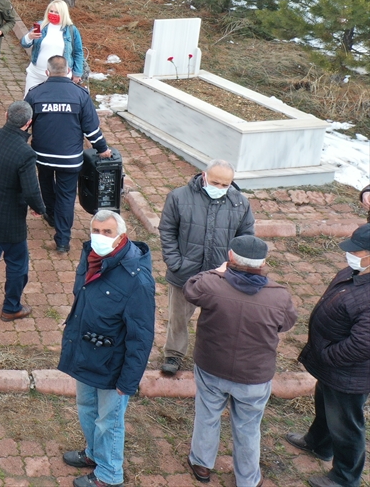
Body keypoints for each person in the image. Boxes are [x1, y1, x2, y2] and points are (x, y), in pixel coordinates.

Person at [184, 235, 297, 486]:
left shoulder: (212, 285)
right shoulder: (279, 296)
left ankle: (202, 463)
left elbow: (190, 287)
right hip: (254, 376)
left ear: (231, 257)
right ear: (263, 262)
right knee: (248, 427)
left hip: (212, 366)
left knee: (207, 414)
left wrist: (217, 271)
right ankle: (247, 478)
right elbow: (287, 323)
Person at [59, 211, 155, 487]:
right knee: (86, 407)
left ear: (121, 237)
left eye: (107, 232)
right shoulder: (91, 256)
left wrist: (129, 380)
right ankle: (94, 454)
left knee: (109, 421)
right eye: (96, 231)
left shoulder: (137, 279)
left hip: (112, 364)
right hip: (86, 354)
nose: (99, 237)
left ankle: (109, 475)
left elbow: (142, 335)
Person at [286, 222, 370, 487]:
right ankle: (319, 443)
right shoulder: (356, 272)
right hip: (333, 368)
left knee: (347, 426)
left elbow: (362, 344)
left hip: (348, 374)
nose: (351, 254)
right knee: (325, 406)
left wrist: (328, 356)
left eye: (357, 250)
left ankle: (345, 478)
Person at [158, 159, 255, 376]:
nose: (219, 188)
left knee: (218, 320)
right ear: (204, 176)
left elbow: (246, 237)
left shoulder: (240, 203)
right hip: (184, 272)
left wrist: (232, 267)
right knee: (179, 317)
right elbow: (167, 231)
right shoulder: (179, 197)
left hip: (221, 276)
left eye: (225, 184)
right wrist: (175, 262)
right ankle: (174, 353)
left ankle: (212, 357)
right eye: (215, 182)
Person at [26, 56, 113, 253]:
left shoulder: (34, 94)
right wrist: (103, 149)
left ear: (47, 72)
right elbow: (92, 131)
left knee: (46, 185)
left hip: (42, 156)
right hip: (70, 160)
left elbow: (25, 124)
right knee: (66, 196)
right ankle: (63, 240)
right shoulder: (81, 95)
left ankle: (50, 214)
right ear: (68, 71)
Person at [0, 101, 47, 322]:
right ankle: (11, 307)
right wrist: (39, 209)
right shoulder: (25, 153)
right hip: (9, 216)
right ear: (29, 123)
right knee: (17, 262)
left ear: (6, 115)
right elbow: (31, 190)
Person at [21, 0, 85, 95]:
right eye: (51, 11)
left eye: (57, 12)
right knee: (30, 102)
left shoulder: (71, 30)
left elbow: (78, 52)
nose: (53, 14)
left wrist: (77, 73)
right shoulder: (41, 25)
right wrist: (29, 36)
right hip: (36, 74)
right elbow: (24, 43)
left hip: (61, 76)